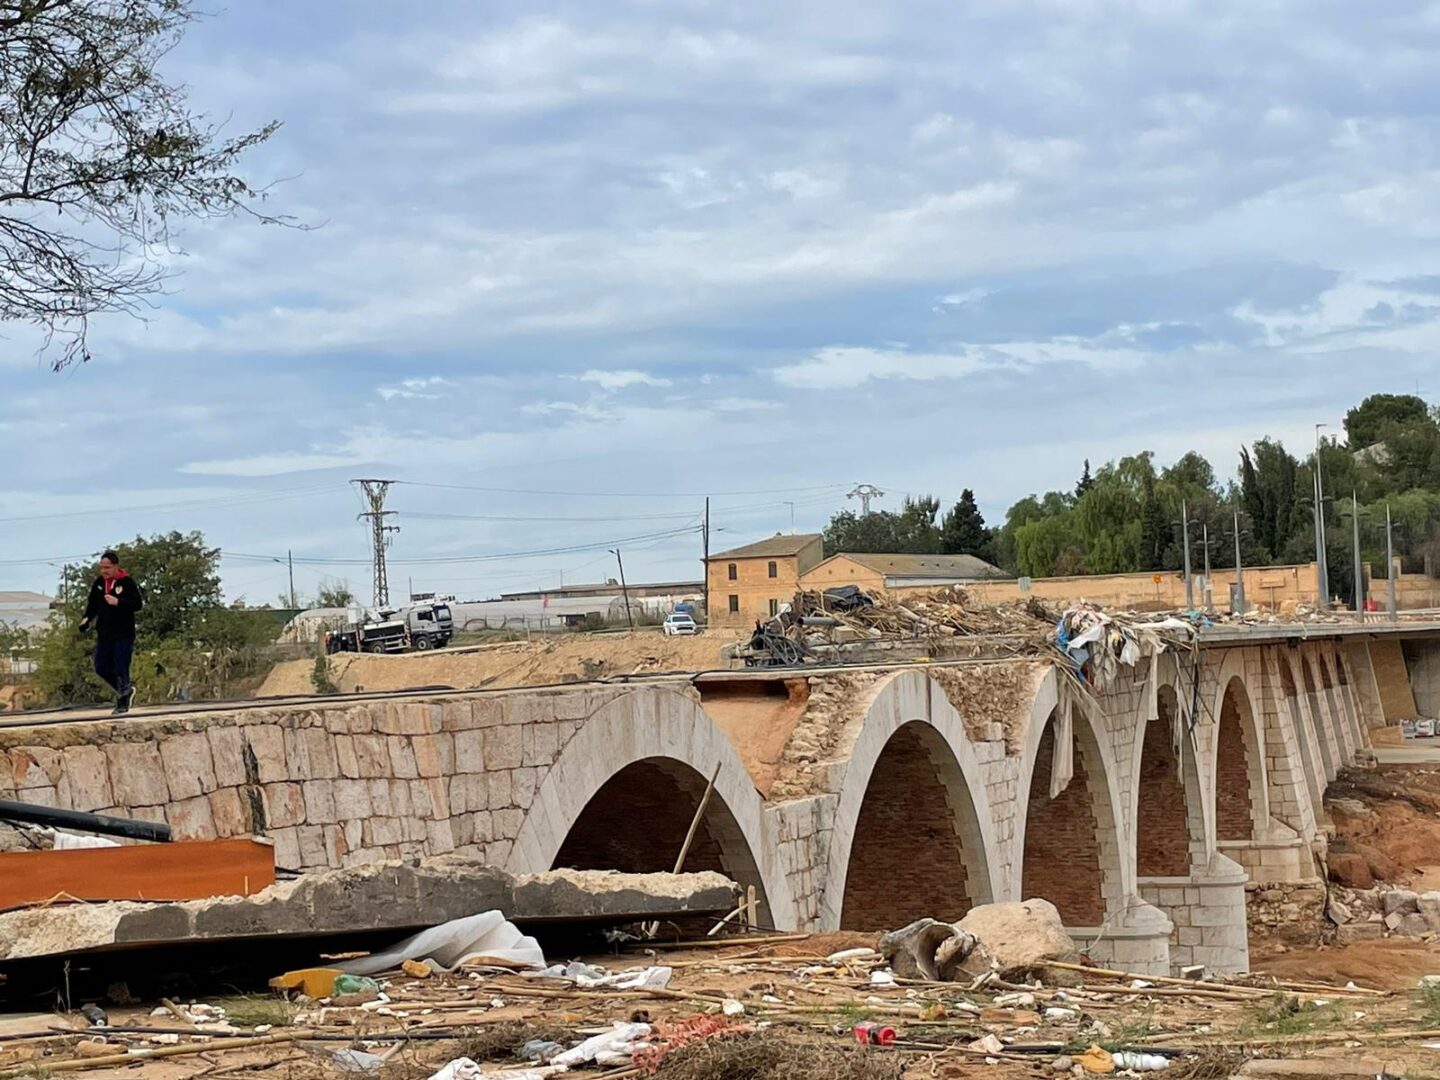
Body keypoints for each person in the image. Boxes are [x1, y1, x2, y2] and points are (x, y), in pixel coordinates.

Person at [78, 550, 144, 715]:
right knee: (101, 667)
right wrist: (86, 619)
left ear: (115, 566)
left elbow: (137, 604)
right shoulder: (99, 583)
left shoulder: (126, 582)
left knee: (121, 667)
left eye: (107, 567)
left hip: (123, 633)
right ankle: (125, 690)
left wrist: (118, 602)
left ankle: (122, 701)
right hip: (105, 633)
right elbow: (92, 605)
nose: (104, 571)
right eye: (102, 567)